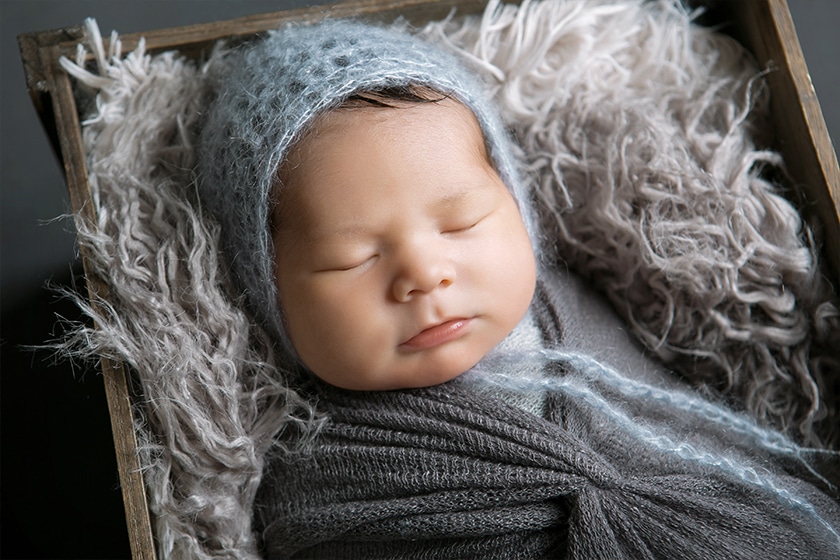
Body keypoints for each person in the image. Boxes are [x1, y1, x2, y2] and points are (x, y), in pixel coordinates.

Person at [197, 18, 840, 559]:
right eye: (351, 258)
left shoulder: (581, 314)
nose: (425, 275)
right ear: (267, 290)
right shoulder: (320, 474)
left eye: (463, 222)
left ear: (517, 208)